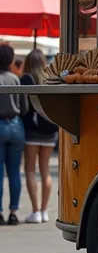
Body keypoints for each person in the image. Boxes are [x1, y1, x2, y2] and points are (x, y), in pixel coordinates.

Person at [21, 49, 58, 224]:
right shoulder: (49, 79)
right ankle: (44, 211)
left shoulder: (26, 79)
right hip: (50, 131)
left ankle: (35, 211)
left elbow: (23, 107)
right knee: (45, 171)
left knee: (29, 169)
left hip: (31, 131)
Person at [0, 44, 28, 225]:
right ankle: (14, 211)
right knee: (15, 173)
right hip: (16, 125)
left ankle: (0, 213)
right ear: (11, 60)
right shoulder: (15, 79)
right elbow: (24, 106)